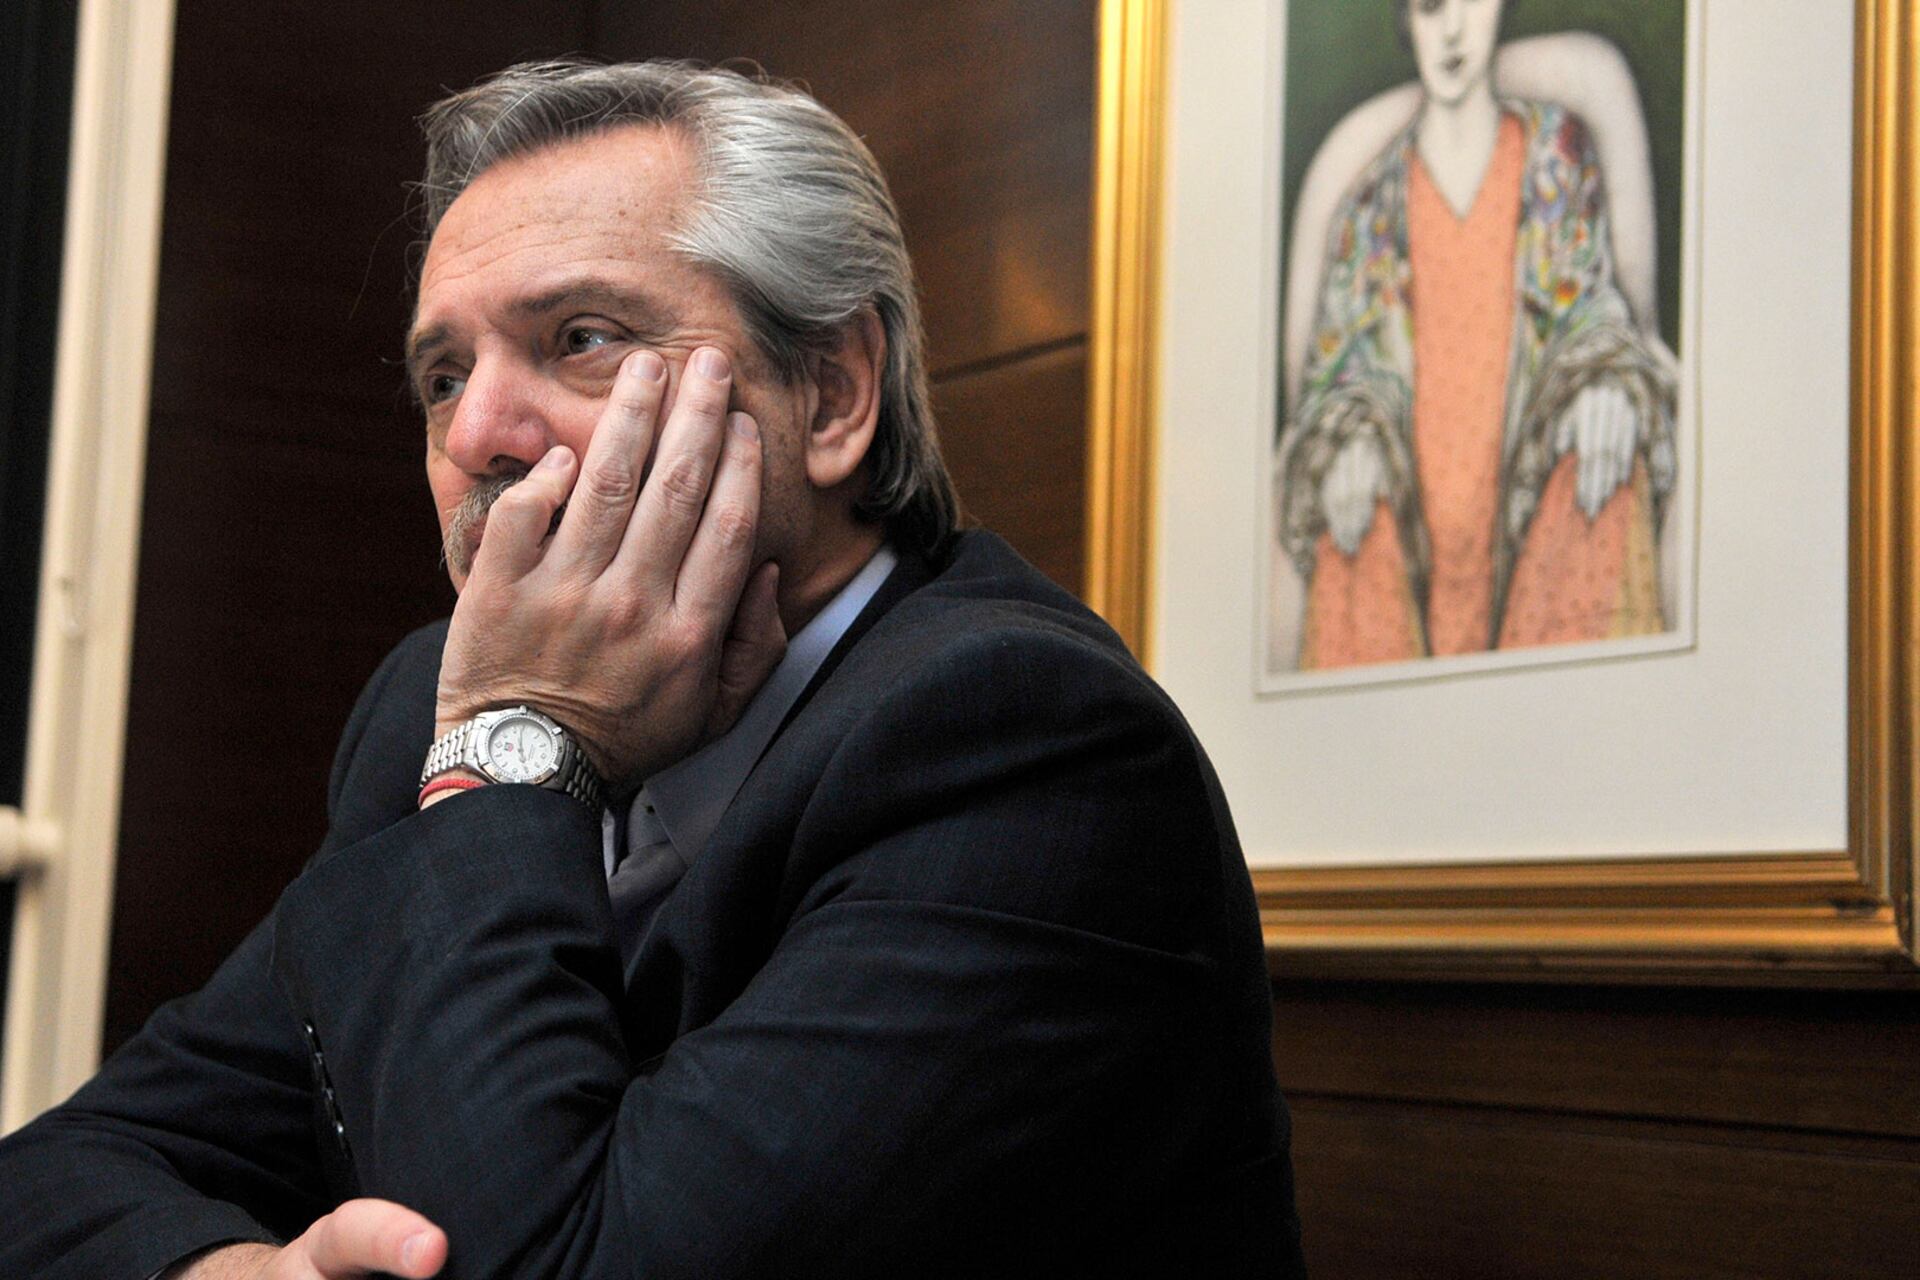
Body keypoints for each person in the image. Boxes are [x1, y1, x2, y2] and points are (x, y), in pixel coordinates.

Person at [0, 60, 1306, 1279]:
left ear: (832, 393)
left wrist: (515, 738)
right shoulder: (427, 707)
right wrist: (225, 1269)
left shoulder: (1025, 746)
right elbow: (56, 1173)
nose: (477, 433)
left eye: (579, 335)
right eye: (442, 375)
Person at [1274, 0, 1678, 668]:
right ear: (1408, 21)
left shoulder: (1556, 152)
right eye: (1432, 8)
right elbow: (1339, 376)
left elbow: (1590, 307)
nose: (1454, 31)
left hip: (1536, 531)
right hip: (1409, 554)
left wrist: (1603, 383)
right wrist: (1348, 441)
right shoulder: (1370, 207)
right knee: (1349, 520)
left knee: (1607, 453)